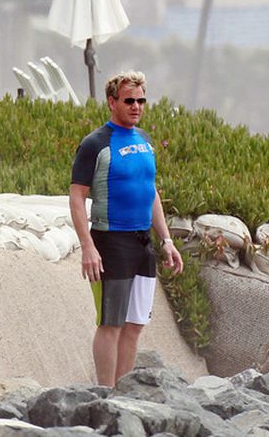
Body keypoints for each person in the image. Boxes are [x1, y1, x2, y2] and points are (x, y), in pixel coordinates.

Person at [69, 70, 183, 387]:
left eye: (141, 101)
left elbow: (150, 191)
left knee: (134, 325)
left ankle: (124, 393)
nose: (136, 107)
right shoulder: (95, 144)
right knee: (111, 323)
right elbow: (77, 196)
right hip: (110, 241)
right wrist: (87, 247)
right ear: (112, 102)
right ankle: (105, 392)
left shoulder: (145, 140)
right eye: (129, 101)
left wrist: (167, 240)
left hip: (142, 242)